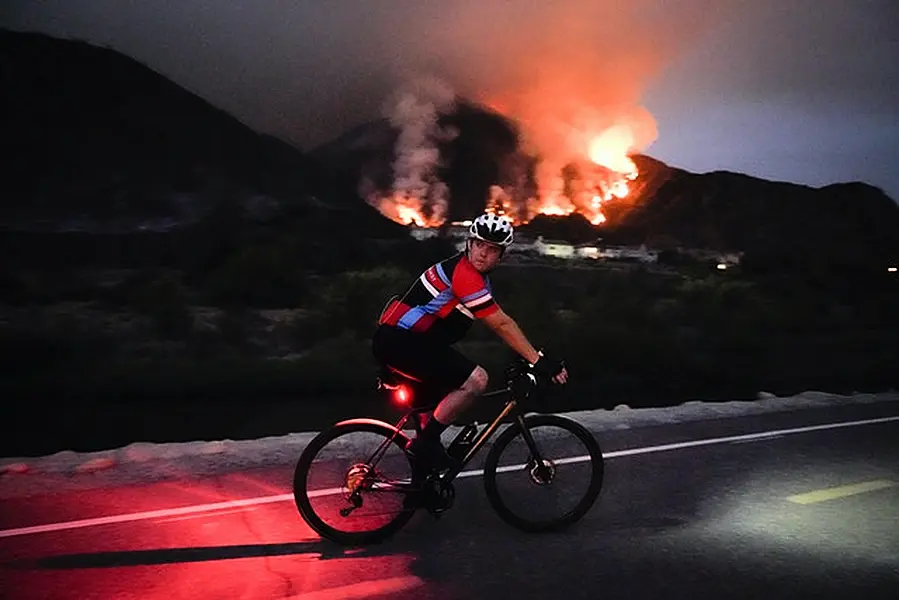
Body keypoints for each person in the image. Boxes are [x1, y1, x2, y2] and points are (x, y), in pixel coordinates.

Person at [372, 211, 568, 470]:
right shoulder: (464, 275)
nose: (483, 253)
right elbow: (501, 323)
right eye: (479, 244)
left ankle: (422, 487)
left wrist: (527, 354)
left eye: (492, 249)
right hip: (403, 343)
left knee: (432, 415)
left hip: (406, 343)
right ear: (469, 243)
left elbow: (495, 324)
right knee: (477, 380)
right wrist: (538, 361)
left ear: (501, 255)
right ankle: (425, 444)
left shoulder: (475, 279)